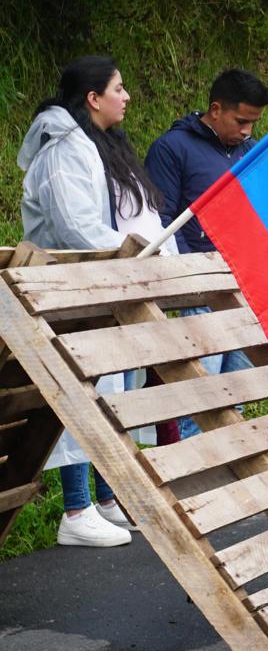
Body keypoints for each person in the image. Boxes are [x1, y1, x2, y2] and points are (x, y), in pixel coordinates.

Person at [19, 55, 177, 547]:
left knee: (109, 395)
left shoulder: (92, 142)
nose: (127, 96)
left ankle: (103, 500)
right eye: (119, 87)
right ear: (93, 97)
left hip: (98, 283)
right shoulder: (63, 147)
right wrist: (134, 255)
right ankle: (75, 509)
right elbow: (73, 227)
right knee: (81, 399)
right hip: (71, 286)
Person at [144, 68, 268, 437]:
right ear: (215, 109)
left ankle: (223, 474)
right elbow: (161, 218)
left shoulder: (251, 152)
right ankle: (193, 483)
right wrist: (192, 275)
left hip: (247, 288)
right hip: (198, 290)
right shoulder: (172, 148)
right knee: (199, 398)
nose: (248, 130)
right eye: (241, 121)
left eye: (254, 123)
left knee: (237, 392)